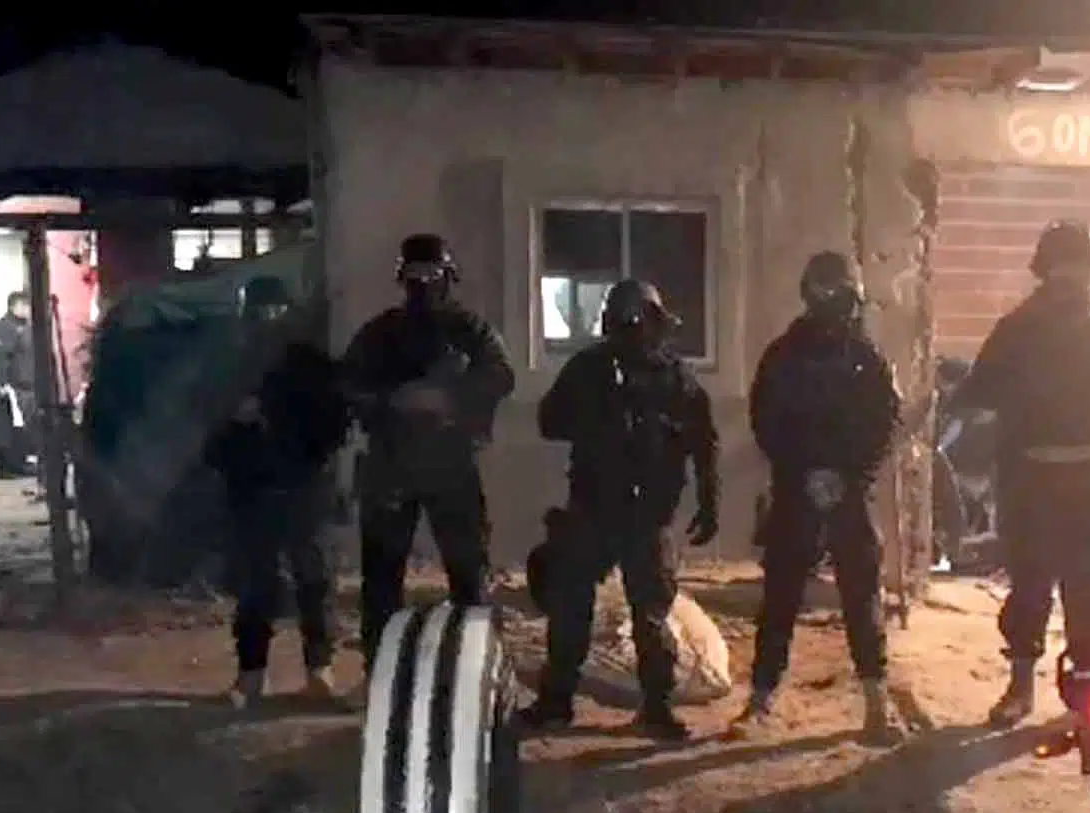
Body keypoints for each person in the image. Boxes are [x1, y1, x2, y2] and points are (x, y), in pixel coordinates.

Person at [948, 219, 1090, 728]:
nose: (1070, 279)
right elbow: (978, 391)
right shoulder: (1018, 329)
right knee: (1030, 588)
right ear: (1045, 271)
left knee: (1088, 590)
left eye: (1077, 268)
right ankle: (1020, 687)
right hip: (1031, 477)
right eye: (1062, 268)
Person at [521, 279, 719, 741]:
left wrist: (710, 501)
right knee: (572, 607)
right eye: (625, 323)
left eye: (639, 322)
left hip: (648, 513)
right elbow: (550, 421)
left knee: (651, 615)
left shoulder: (676, 377)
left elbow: (704, 442)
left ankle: (657, 707)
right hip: (594, 507)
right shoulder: (589, 369)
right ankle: (557, 702)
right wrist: (597, 415)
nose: (633, 332)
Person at [734, 251, 902, 744]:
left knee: (861, 594)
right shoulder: (785, 355)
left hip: (847, 487)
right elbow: (765, 418)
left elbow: (884, 423)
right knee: (781, 594)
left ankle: (876, 702)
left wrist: (849, 475)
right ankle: (762, 697)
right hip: (797, 485)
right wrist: (803, 472)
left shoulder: (867, 358)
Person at [342, 233, 516, 670]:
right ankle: (380, 672)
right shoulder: (382, 332)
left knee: (468, 574)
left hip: (450, 461)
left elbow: (501, 375)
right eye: (415, 274)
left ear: (448, 276)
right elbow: (347, 383)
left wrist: (449, 397)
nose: (423, 283)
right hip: (392, 463)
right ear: (403, 277)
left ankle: (473, 671)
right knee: (382, 579)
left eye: (432, 273)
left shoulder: (470, 330)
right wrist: (392, 399)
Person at [202, 276, 351, 708]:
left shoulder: (310, 365)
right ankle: (251, 676)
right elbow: (209, 438)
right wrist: (236, 424)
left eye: (274, 311)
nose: (267, 320)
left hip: (304, 487)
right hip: (253, 491)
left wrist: (287, 427)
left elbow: (335, 424)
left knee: (314, 580)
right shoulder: (232, 367)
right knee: (255, 585)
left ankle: (319, 671)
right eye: (259, 312)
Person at [0, 290, 35, 477]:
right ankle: (11, 465)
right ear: (17, 306)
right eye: (26, 306)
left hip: (28, 385)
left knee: (25, 428)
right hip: (14, 387)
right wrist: (1, 384)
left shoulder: (26, 327)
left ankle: (21, 462)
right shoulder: (4, 328)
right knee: (11, 429)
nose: (29, 310)